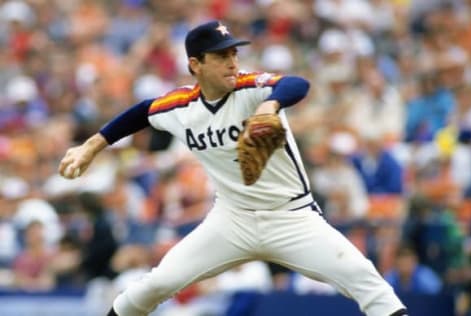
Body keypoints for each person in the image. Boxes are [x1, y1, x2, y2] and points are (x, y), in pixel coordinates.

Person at [58, 20, 408, 316]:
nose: (232, 62)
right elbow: (140, 113)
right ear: (195, 64)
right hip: (231, 220)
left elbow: (297, 84)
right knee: (157, 284)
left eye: (234, 53)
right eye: (221, 55)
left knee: (367, 281)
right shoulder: (180, 106)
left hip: (292, 218)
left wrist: (271, 105)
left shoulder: (250, 89)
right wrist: (92, 146)